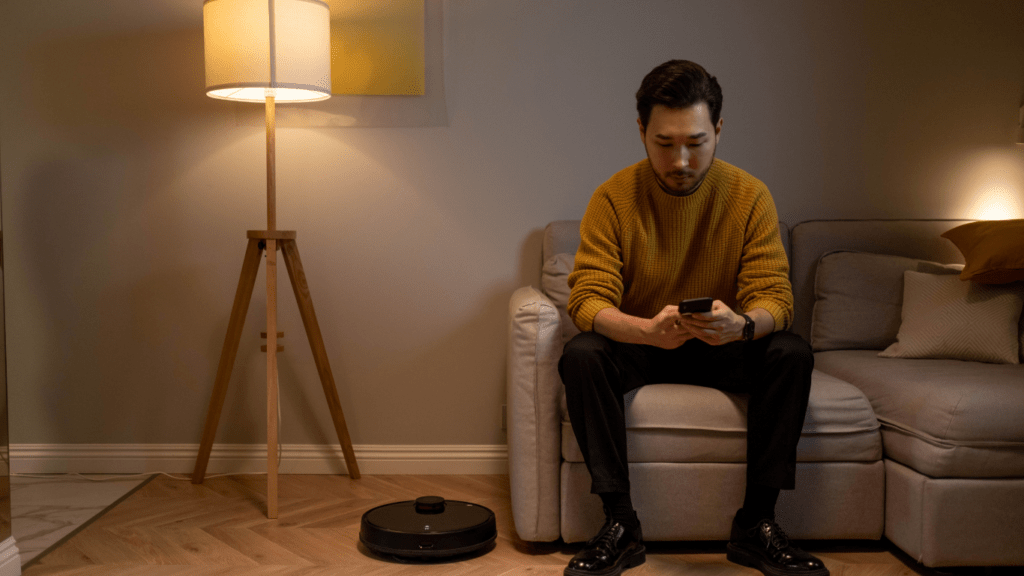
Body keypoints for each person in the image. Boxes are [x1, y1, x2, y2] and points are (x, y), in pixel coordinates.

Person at [559, 60, 829, 576]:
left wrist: (743, 325)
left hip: (724, 346)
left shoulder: (749, 195)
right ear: (641, 131)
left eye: (696, 142)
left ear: (719, 131)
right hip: (644, 346)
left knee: (791, 351)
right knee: (583, 355)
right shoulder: (612, 197)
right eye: (664, 143)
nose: (680, 160)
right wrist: (642, 331)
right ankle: (620, 525)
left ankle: (758, 524)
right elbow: (587, 300)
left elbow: (777, 298)